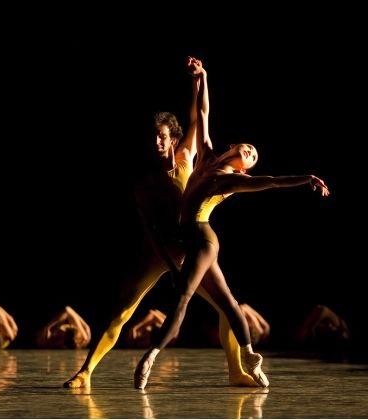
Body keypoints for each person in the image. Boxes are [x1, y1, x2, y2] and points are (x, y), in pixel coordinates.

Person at [134, 58, 330, 389]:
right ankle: (251, 357)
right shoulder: (207, 155)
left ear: (244, 169)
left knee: (183, 297)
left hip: (203, 239)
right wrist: (202, 77)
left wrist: (306, 179)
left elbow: (272, 182)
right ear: (232, 148)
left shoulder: (234, 181)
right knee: (228, 303)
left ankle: (150, 357)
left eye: (253, 157)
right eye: (249, 148)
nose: (251, 151)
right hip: (190, 239)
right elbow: (202, 114)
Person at [64, 57, 257, 388]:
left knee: (229, 308)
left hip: (193, 248)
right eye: (153, 138)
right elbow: (151, 229)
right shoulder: (144, 184)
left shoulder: (186, 158)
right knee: (122, 310)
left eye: (162, 137)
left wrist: (199, 79)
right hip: (160, 250)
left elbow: (200, 115)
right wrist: (169, 264)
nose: (157, 143)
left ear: (173, 138)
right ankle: (86, 372)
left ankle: (236, 371)